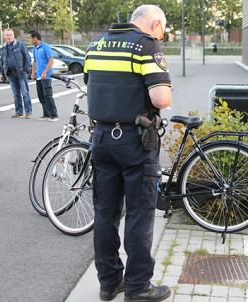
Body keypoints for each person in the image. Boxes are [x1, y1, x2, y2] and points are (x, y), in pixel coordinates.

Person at [84, 4, 172, 302]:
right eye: (163, 30)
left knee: (105, 214)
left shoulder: (96, 44)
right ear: (155, 24)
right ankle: (137, 287)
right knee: (139, 214)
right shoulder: (146, 46)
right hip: (135, 141)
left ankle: (109, 283)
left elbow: (92, 84)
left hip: (101, 138)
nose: (163, 35)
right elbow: (160, 98)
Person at [0, 28, 32, 118]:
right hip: (10, 73)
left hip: (21, 73)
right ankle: (18, 112)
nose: (9, 37)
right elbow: (2, 61)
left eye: (10, 35)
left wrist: (25, 70)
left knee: (25, 93)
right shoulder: (3, 47)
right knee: (16, 94)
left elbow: (27, 58)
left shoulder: (20, 45)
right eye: (7, 35)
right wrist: (1, 73)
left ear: (13, 36)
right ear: (4, 36)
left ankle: (28, 112)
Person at [29, 30, 59, 122]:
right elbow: (34, 61)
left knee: (48, 96)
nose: (29, 40)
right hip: (38, 76)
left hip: (46, 76)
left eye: (30, 38)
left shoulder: (45, 47)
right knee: (41, 96)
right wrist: (33, 73)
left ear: (35, 38)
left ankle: (54, 115)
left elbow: (51, 61)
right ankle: (46, 114)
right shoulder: (35, 48)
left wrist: (45, 72)